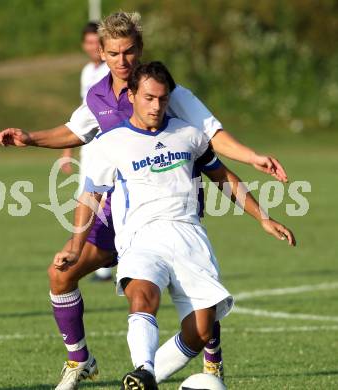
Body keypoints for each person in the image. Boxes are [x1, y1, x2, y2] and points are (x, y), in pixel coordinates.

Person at [0, 12, 290, 389]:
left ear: (141, 50)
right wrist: (30, 137)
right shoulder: (98, 96)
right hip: (117, 211)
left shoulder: (171, 94)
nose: (124, 60)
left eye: (131, 51)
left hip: (172, 208)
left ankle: (211, 360)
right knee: (63, 274)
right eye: (115, 53)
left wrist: (251, 157)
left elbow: (211, 136)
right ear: (101, 53)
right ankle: (82, 360)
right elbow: (76, 130)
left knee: (196, 289)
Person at [53, 61, 295, 389]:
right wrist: (75, 247)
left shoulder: (189, 135)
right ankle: (143, 369)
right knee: (143, 296)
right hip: (141, 237)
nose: (156, 106)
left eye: (163, 99)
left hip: (189, 235)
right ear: (133, 94)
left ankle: (148, 377)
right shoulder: (111, 143)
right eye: (149, 98)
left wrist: (263, 218)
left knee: (202, 331)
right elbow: (90, 197)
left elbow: (223, 177)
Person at [60, 21, 111, 281]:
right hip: (88, 146)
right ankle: (100, 263)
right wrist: (67, 150)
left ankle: (102, 265)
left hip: (107, 147)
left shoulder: (111, 69)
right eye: (89, 43)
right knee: (88, 199)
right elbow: (82, 116)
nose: (93, 47)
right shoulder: (86, 72)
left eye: (97, 43)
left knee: (99, 201)